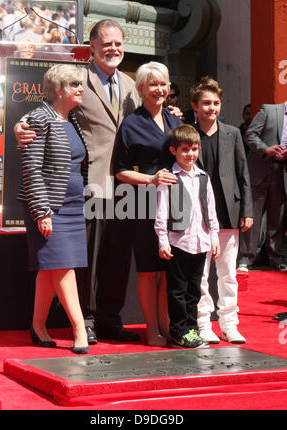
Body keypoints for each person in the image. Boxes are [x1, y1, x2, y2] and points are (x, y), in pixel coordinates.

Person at [14, 19, 181, 345]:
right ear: (91, 46)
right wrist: (22, 126)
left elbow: (147, 118)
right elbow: (47, 109)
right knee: (87, 256)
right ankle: (87, 320)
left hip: (130, 186)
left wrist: (168, 108)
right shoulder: (79, 80)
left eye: (119, 44)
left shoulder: (132, 85)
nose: (113, 50)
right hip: (89, 184)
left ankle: (110, 318)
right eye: (107, 44)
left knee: (118, 258)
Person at [17, 64, 89, 354]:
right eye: (74, 84)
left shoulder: (71, 118)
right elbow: (31, 169)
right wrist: (42, 211)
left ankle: (37, 325)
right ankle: (79, 328)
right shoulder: (38, 118)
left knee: (50, 269)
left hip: (72, 205)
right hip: (48, 205)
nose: (80, 89)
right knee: (62, 266)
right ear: (59, 89)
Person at [114, 61, 182, 346]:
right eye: (152, 84)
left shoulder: (176, 121)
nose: (159, 89)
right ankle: (151, 328)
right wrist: (151, 180)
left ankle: (167, 326)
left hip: (177, 202)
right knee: (148, 268)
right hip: (144, 204)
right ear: (140, 88)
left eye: (163, 83)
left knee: (170, 269)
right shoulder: (131, 124)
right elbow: (120, 171)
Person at [190, 76, 253, 344]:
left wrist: (247, 209)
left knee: (228, 273)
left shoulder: (233, 133)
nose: (211, 108)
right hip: (197, 215)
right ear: (195, 106)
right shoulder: (187, 133)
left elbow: (243, 173)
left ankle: (229, 323)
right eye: (206, 103)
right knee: (201, 274)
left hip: (229, 211)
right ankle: (204, 323)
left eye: (216, 103)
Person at [155, 124, 220, 349]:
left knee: (194, 290)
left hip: (201, 242)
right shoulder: (169, 178)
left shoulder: (203, 177)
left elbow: (210, 210)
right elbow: (161, 212)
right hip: (178, 243)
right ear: (173, 150)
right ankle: (178, 331)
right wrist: (163, 241)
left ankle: (191, 329)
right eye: (184, 149)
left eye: (193, 149)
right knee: (177, 291)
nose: (189, 154)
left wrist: (214, 237)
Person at [237, 102, 287, 272]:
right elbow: (250, 135)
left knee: (277, 218)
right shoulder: (269, 110)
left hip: (282, 172)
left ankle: (276, 258)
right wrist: (266, 149)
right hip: (260, 168)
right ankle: (245, 258)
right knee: (252, 216)